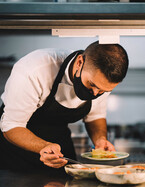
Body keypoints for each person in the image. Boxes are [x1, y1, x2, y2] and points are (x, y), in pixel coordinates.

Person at [0, 41, 129, 172]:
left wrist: (100, 140)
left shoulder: (101, 81)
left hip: (59, 147)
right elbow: (11, 125)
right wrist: (44, 146)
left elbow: (95, 116)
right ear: (79, 62)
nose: (96, 93)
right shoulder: (34, 69)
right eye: (92, 84)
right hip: (17, 151)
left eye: (103, 91)